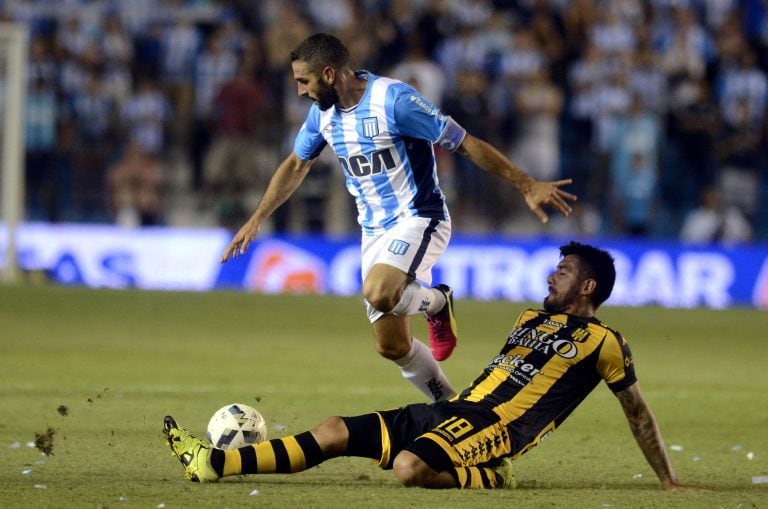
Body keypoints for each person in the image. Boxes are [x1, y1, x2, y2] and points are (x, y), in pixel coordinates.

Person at [164, 241, 697, 491]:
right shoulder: (530, 318)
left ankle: (493, 478)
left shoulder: (605, 342)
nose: (551, 277)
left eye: (563, 271)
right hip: (456, 410)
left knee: (409, 469)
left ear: (588, 287)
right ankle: (213, 464)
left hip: (496, 430)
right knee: (331, 431)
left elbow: (638, 413)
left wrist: (668, 482)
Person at [220, 33, 576, 403]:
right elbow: (296, 163)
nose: (299, 91)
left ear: (328, 74)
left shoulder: (395, 101)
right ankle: (453, 408)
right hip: (373, 232)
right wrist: (257, 218)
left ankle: (437, 303)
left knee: (379, 291)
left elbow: (465, 143)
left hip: (420, 218)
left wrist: (525, 183)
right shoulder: (322, 115)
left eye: (303, 81)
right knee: (391, 346)